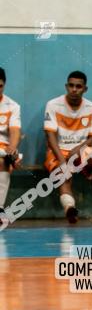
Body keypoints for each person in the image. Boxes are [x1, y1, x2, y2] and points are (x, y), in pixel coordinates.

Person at [44, 71, 92, 223]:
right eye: (71, 85)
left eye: (78, 86)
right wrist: (63, 162)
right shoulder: (53, 105)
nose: (74, 89)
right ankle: (70, 208)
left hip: (82, 149)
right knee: (62, 174)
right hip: (58, 150)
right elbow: (50, 136)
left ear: (85, 89)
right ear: (66, 86)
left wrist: (79, 149)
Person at [0, 67, 22, 216]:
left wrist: (13, 148)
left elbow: (15, 131)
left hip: (2, 147)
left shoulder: (13, 106)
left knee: (3, 161)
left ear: (4, 85)